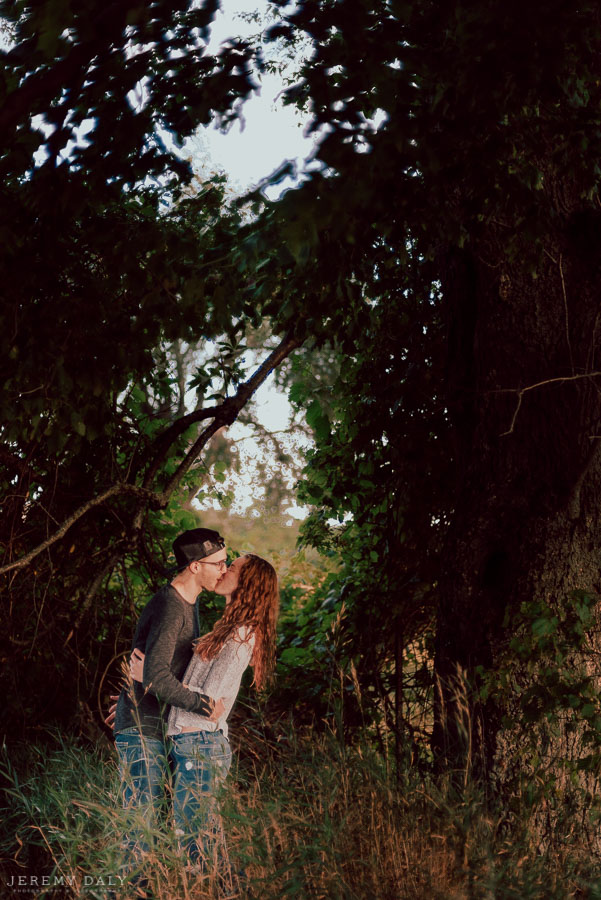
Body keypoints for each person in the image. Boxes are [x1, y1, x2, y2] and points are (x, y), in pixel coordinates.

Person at [129, 553, 279, 878]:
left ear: (248, 583)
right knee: (199, 841)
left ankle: (220, 891)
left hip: (201, 745)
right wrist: (146, 688)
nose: (224, 570)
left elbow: (208, 703)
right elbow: (193, 690)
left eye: (233, 567)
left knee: (196, 846)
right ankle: (223, 890)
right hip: (191, 744)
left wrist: (150, 679)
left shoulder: (241, 636)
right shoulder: (226, 629)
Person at [112, 527, 228, 884]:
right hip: (144, 731)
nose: (223, 570)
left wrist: (128, 695)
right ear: (194, 566)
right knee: (140, 831)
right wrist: (203, 704)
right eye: (218, 563)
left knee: (159, 827)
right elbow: (156, 678)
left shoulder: (188, 604)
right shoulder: (170, 607)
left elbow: (152, 670)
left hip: (155, 726)